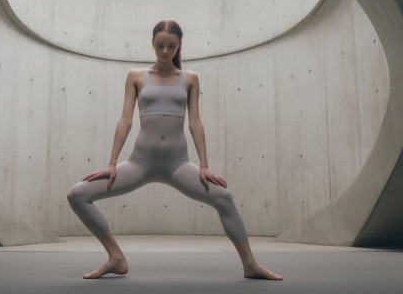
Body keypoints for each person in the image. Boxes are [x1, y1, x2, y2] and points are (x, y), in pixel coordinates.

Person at [67, 20, 282, 281]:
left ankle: (250, 265)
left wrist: (203, 166)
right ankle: (116, 257)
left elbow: (195, 123)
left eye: (171, 46)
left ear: (179, 45)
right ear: (152, 44)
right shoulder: (136, 76)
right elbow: (125, 120)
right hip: (139, 163)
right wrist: (112, 163)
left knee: (224, 197)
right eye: (160, 45)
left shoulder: (189, 79)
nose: (165, 51)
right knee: (77, 194)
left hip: (178, 165)